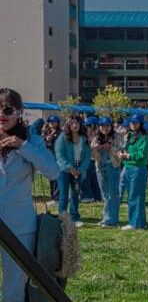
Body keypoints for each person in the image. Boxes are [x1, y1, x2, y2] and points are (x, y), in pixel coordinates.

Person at [0, 88, 60, 302]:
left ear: (19, 112)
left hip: (19, 225)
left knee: (14, 284)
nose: (2, 114)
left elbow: (52, 171)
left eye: (7, 109)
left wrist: (22, 146)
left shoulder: (31, 141)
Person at [54, 116, 91, 227]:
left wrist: (80, 170)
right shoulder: (62, 137)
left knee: (75, 193)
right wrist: (70, 168)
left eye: (77, 123)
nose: (75, 125)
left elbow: (87, 156)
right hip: (64, 170)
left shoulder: (84, 139)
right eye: (72, 123)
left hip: (78, 169)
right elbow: (59, 155)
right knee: (64, 195)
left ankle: (75, 217)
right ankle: (63, 218)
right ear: (68, 125)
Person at [119, 114, 148, 230]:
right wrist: (122, 153)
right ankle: (138, 222)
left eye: (135, 122)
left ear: (140, 124)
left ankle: (136, 223)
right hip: (128, 167)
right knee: (131, 196)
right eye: (131, 122)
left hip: (137, 168)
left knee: (135, 196)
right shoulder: (131, 136)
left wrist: (128, 155)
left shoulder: (144, 137)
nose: (132, 124)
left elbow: (142, 154)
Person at [91, 116, 123, 226]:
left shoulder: (117, 137)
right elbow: (92, 155)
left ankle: (112, 219)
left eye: (107, 125)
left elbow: (120, 153)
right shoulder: (96, 138)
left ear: (111, 126)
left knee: (113, 193)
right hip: (100, 167)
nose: (104, 128)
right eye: (102, 126)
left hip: (113, 167)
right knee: (104, 193)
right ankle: (106, 217)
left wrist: (110, 148)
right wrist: (97, 149)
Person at [79, 116, 102, 203]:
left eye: (88, 126)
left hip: (93, 159)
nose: (87, 128)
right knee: (93, 179)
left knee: (86, 178)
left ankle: (88, 196)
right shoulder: (87, 135)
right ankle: (96, 196)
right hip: (90, 159)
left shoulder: (98, 135)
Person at [43, 115, 62, 201]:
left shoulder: (60, 132)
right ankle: (52, 196)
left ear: (57, 123)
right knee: (51, 176)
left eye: (54, 122)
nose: (52, 124)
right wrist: (46, 139)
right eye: (50, 122)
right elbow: (42, 143)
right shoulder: (46, 132)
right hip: (49, 155)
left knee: (57, 175)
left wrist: (53, 139)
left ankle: (57, 196)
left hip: (57, 156)